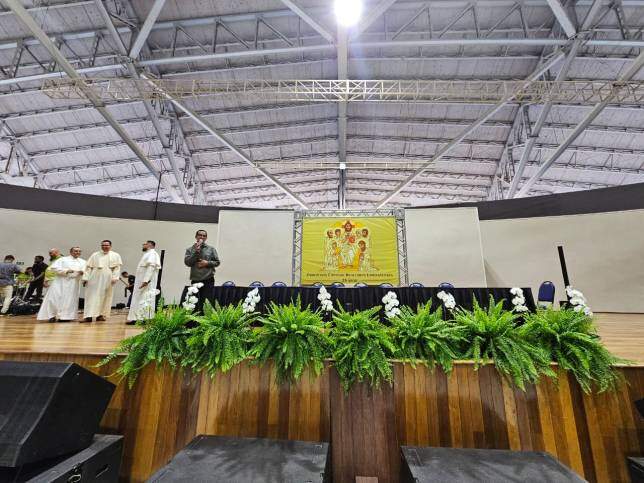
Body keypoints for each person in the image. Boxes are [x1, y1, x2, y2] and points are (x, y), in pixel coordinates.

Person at [37, 247, 86, 322]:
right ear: (71, 252)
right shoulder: (63, 259)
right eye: (76, 251)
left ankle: (65, 317)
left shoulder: (83, 262)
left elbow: (86, 270)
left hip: (73, 283)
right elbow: (54, 268)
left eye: (79, 251)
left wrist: (82, 272)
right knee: (54, 298)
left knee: (70, 300)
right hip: (60, 281)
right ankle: (51, 316)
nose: (78, 252)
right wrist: (66, 271)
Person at [82, 240, 123, 322]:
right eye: (103, 245)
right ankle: (88, 316)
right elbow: (88, 267)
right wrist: (85, 278)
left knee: (105, 296)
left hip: (108, 276)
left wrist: (115, 277)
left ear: (110, 246)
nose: (105, 247)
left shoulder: (115, 255)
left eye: (107, 245)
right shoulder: (95, 254)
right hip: (94, 276)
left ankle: (100, 315)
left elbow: (117, 268)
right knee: (92, 296)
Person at [184, 229, 220, 313]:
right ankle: (194, 320)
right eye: (200, 235)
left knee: (207, 302)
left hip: (208, 279)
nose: (202, 237)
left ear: (206, 238)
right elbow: (187, 263)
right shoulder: (190, 249)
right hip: (195, 279)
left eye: (204, 236)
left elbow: (217, 262)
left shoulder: (211, 249)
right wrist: (196, 252)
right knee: (194, 302)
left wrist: (207, 263)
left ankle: (206, 319)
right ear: (196, 236)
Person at [126, 241, 161, 325]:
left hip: (146, 283)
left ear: (149, 245)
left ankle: (142, 319)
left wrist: (146, 280)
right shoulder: (147, 254)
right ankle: (138, 318)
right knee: (139, 299)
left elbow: (151, 267)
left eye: (144, 244)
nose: (143, 245)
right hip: (142, 282)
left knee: (145, 299)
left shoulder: (152, 254)